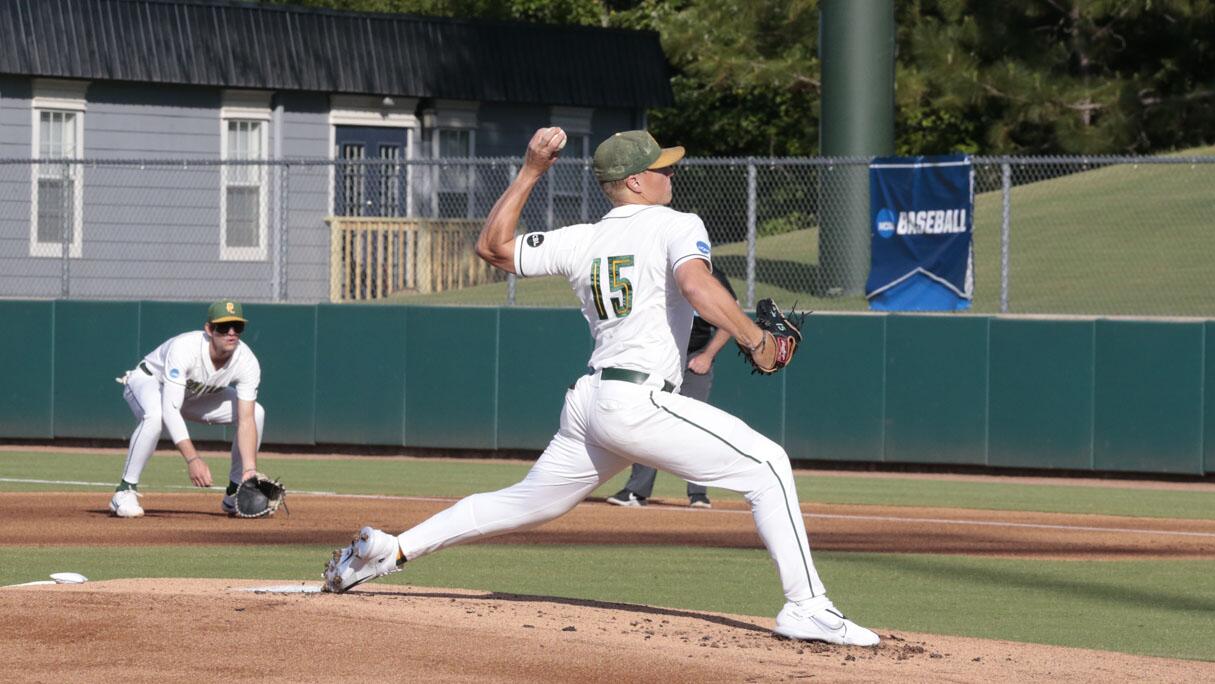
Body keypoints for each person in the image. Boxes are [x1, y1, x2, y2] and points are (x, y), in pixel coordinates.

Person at [323, 128, 880, 647]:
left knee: (523, 502)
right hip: (637, 401)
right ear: (636, 181)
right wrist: (756, 339)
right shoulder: (677, 222)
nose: (671, 175)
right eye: (662, 168)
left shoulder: (582, 239)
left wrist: (531, 170)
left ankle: (391, 550)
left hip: (591, 402)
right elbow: (694, 283)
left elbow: (493, 248)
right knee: (769, 466)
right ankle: (806, 605)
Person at [109, 300, 265, 518]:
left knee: (257, 412)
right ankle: (125, 490)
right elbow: (171, 409)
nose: (231, 332)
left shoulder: (246, 361)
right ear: (209, 329)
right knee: (155, 416)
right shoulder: (185, 348)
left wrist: (250, 470)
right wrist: (193, 459)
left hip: (194, 396)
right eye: (223, 327)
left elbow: (247, 419)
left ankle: (235, 492)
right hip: (151, 381)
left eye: (237, 327)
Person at [607, 264, 735, 509]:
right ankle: (636, 491)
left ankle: (698, 494)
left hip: (694, 357)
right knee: (648, 422)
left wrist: (708, 356)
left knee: (696, 425)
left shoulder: (710, 273)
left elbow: (732, 315)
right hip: (659, 358)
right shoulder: (657, 268)